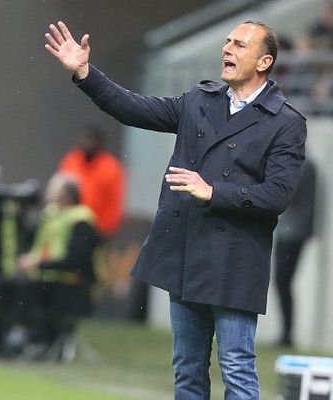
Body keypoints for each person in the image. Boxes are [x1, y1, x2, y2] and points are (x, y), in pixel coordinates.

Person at [45, 20, 306, 398]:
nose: (227, 49)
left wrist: (213, 191)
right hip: (187, 251)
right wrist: (86, 74)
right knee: (187, 369)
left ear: (264, 61)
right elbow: (132, 107)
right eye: (227, 41)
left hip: (235, 260)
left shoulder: (285, 122)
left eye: (240, 45)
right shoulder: (199, 101)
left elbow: (277, 195)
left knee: (236, 368)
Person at [17, 173, 97, 361]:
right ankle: (35, 345)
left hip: (67, 281)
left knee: (54, 316)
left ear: (66, 194)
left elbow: (77, 257)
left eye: (53, 187)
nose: (48, 191)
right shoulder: (50, 213)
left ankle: (52, 348)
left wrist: (39, 263)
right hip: (45, 277)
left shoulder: (81, 218)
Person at [274, 158, 317, 347]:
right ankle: (286, 333)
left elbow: (286, 194)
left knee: (283, 281)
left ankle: (287, 334)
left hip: (292, 232)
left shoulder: (302, 165)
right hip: (292, 230)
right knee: (283, 282)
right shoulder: (307, 165)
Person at [58, 126, 125, 239]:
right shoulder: (71, 161)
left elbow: (113, 201)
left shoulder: (110, 167)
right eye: (86, 139)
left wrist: (106, 230)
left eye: (92, 140)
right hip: (69, 226)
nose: (88, 143)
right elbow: (61, 191)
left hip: (98, 230)